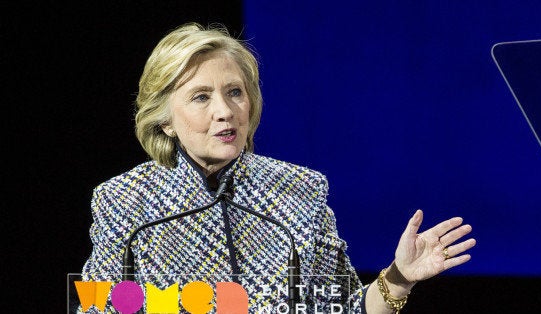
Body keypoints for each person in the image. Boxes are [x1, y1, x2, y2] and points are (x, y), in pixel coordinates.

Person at [80, 22, 476, 313]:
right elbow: (96, 308)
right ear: (165, 118)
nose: (225, 111)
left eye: (235, 92)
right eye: (201, 97)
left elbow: (342, 308)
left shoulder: (300, 190)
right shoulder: (123, 202)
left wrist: (400, 277)